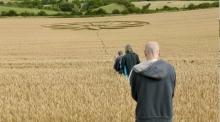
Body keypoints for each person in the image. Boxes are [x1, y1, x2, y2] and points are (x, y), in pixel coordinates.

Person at [129, 41, 176, 122]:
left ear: (145, 53)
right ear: (159, 52)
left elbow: (135, 95)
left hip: (143, 117)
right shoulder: (170, 69)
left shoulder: (136, 70)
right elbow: (171, 93)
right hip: (165, 117)